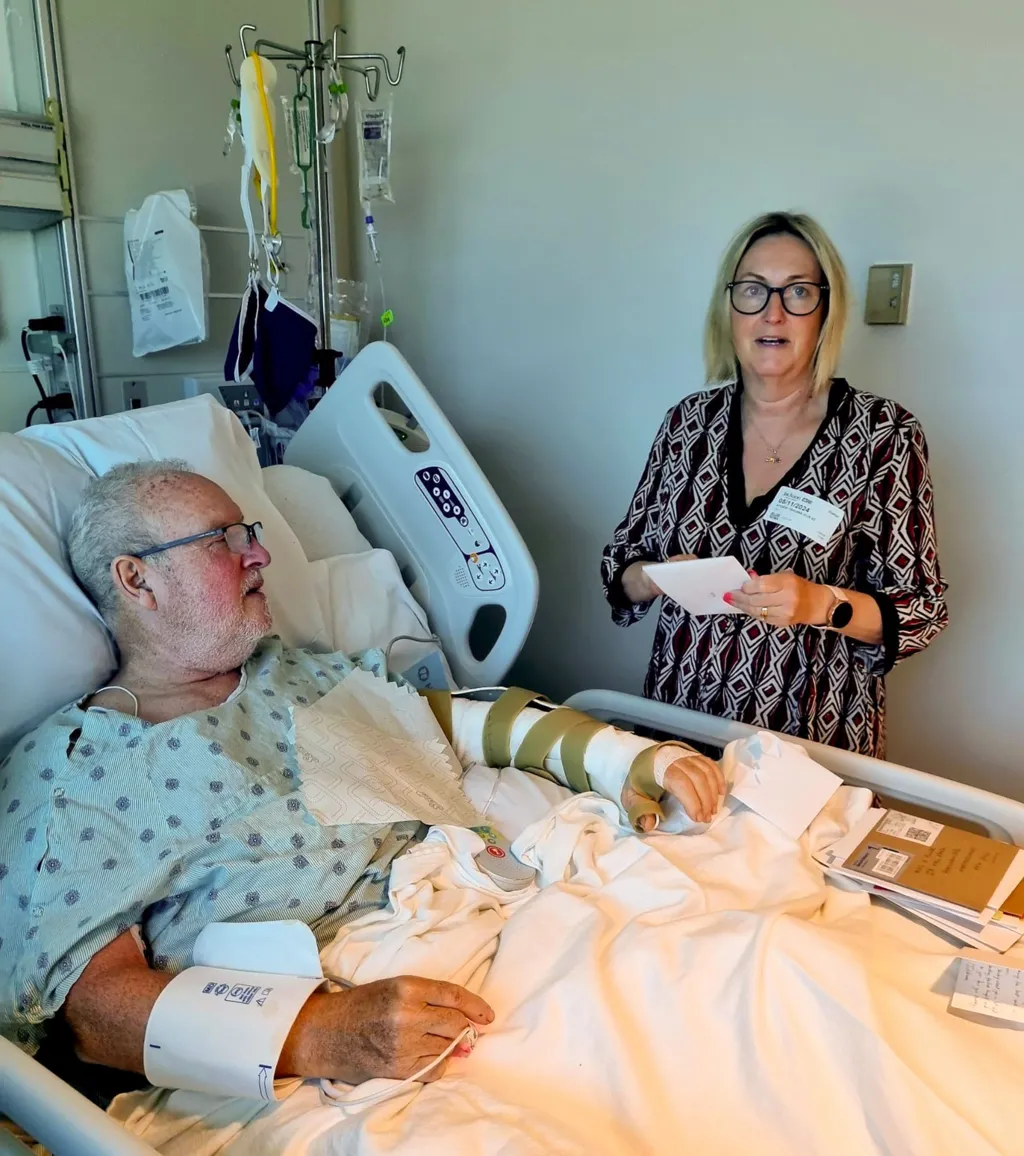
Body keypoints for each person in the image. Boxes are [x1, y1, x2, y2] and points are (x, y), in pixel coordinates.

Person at [0, 461, 722, 1094]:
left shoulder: (291, 672)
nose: (262, 555)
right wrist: (317, 1033)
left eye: (251, 531)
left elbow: (452, 721)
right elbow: (94, 1012)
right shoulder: (76, 770)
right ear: (137, 579)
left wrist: (625, 758)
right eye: (226, 540)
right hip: (347, 1008)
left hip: (493, 912)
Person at [602, 211, 948, 758]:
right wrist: (655, 578)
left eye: (798, 293)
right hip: (678, 733)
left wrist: (820, 603)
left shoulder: (883, 435)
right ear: (729, 306)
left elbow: (921, 611)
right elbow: (620, 567)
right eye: (754, 290)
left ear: (825, 312)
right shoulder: (687, 423)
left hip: (810, 747)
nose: (774, 312)